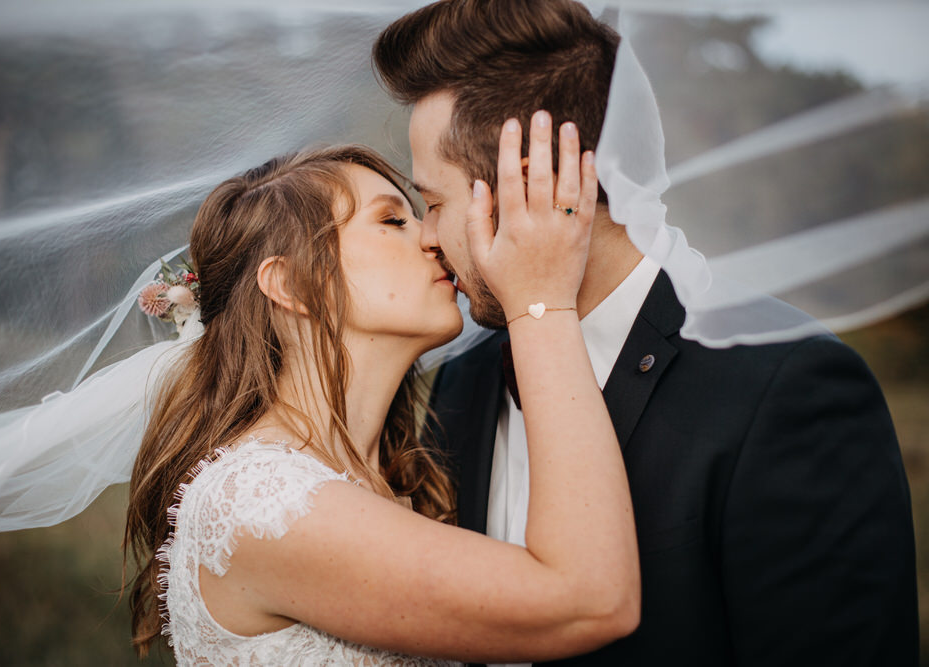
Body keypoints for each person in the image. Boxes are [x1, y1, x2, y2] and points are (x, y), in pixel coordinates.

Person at [373, 1, 920, 665]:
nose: (427, 238)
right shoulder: (465, 380)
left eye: (433, 204)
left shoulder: (787, 387)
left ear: (531, 188)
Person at [124, 141, 641, 665]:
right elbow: (589, 600)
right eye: (393, 221)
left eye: (422, 214)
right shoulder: (260, 504)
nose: (433, 238)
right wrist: (543, 299)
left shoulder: (399, 477)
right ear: (293, 283)